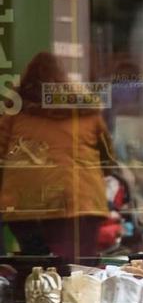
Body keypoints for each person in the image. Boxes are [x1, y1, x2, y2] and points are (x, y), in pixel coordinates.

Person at [0, 52, 113, 258]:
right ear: (65, 78)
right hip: (78, 204)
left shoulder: (14, 113)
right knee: (76, 272)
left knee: (36, 269)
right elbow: (107, 158)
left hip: (25, 204)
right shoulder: (85, 112)